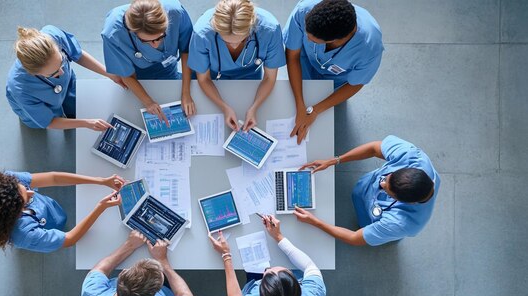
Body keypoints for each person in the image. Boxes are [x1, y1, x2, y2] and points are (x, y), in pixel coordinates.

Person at [296, 135, 440, 246]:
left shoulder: (398, 223)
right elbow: (374, 148)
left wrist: (315, 221)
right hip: (363, 189)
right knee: (360, 194)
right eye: (386, 178)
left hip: (372, 219)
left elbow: (354, 238)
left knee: (365, 226)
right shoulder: (414, 157)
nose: (381, 183)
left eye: (387, 189)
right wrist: (334, 160)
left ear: (401, 201)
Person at [207, 215, 326, 296]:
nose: (267, 269)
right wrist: (278, 236)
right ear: (296, 284)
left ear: (261, 294)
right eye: (285, 271)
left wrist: (226, 255)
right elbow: (309, 265)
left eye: (265, 275)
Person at [283, 0, 384, 144]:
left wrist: (315, 110)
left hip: (336, 81)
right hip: (304, 63)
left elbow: (356, 83)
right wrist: (300, 103)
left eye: (314, 41)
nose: (306, 38)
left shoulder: (369, 48)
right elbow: (292, 56)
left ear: (335, 41)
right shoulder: (304, 11)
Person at [188, 0, 286, 131]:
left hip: (250, 77)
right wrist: (224, 108)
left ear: (252, 27)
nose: (234, 46)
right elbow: (203, 79)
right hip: (212, 80)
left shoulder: (270, 29)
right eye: (226, 42)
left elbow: (270, 78)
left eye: (242, 40)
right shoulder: (202, 33)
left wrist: (254, 108)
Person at [0, 171, 125, 253]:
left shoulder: (10, 182)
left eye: (26, 190)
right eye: (25, 201)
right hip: (52, 224)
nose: (32, 193)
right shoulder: (25, 235)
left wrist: (101, 180)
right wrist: (100, 206)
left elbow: (54, 178)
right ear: (14, 215)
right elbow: (69, 239)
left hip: (53, 211)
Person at [6, 25, 126, 130]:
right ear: (33, 73)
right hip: (33, 112)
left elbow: (77, 54)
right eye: (53, 73)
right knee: (39, 122)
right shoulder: (20, 89)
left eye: (61, 61)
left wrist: (109, 74)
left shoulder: (54, 36)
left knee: (73, 106)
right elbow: (49, 122)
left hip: (68, 84)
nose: (62, 72)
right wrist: (86, 123)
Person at [102, 0, 195, 124]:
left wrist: (186, 93)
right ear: (132, 32)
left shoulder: (175, 12)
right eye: (147, 41)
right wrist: (148, 102)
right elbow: (126, 74)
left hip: (168, 68)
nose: (155, 45)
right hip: (136, 74)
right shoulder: (114, 33)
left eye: (160, 37)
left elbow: (186, 51)